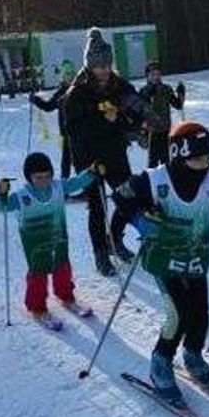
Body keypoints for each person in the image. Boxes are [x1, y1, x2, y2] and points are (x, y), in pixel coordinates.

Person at [114, 121, 209, 405]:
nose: (204, 164)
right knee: (178, 314)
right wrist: (140, 219)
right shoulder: (154, 180)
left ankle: (192, 354)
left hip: (195, 260)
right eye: (197, 158)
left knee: (200, 314)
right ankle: (160, 361)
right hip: (163, 259)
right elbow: (121, 196)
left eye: (208, 157)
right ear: (179, 154)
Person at [64, 27, 157, 275]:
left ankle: (114, 239)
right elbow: (73, 128)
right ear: (89, 65)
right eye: (99, 65)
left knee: (126, 197)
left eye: (107, 64)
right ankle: (101, 254)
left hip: (115, 153)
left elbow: (135, 106)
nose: (104, 70)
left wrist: (143, 122)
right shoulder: (77, 92)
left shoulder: (119, 85)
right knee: (97, 207)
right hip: (88, 158)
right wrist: (105, 120)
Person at [0, 152, 105, 330]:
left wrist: (92, 172)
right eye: (38, 177)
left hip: (58, 237)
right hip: (35, 244)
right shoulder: (22, 196)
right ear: (29, 177)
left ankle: (66, 296)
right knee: (38, 274)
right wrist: (1, 194)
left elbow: (77, 182)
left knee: (61, 266)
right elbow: (4, 206)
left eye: (47, 176)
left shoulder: (58, 187)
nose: (44, 180)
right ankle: (37, 307)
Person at [29, 61, 78, 180]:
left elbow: (48, 106)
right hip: (68, 131)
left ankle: (86, 187)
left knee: (77, 160)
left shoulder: (76, 90)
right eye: (67, 75)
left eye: (71, 75)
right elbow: (48, 106)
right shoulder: (63, 91)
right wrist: (35, 99)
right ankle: (64, 186)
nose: (69, 78)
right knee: (67, 160)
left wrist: (34, 99)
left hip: (77, 131)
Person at [139, 61, 186, 168]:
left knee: (166, 159)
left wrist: (181, 94)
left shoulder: (166, 89)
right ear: (147, 76)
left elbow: (178, 105)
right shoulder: (144, 91)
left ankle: (167, 179)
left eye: (158, 74)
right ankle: (153, 180)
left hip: (166, 129)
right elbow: (140, 111)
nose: (156, 77)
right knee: (153, 161)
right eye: (152, 75)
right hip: (152, 131)